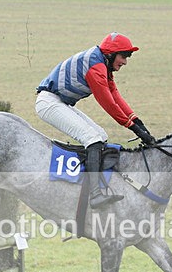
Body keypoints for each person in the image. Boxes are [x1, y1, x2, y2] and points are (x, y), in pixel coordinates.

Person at [35, 32, 155, 208]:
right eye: (123, 56)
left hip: (60, 102)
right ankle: (94, 195)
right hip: (49, 103)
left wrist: (138, 122)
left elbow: (116, 96)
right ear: (111, 54)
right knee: (92, 139)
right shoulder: (96, 68)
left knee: (101, 135)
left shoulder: (103, 64)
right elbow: (109, 104)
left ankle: (87, 182)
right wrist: (134, 129)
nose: (125, 62)